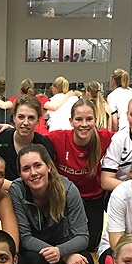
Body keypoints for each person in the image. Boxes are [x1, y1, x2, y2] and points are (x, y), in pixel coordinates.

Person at [10, 144, 95, 264]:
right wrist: (62, 254)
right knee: (34, 260)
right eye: (26, 169)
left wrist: (61, 251)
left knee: (85, 261)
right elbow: (25, 237)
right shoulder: (17, 190)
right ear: (20, 174)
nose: (33, 173)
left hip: (62, 247)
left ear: (48, 166)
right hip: (35, 251)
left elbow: (83, 236)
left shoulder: (68, 190)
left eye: (37, 165)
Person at [47, 99, 113, 251]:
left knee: (91, 245)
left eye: (89, 119)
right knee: (64, 240)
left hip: (93, 197)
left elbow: (130, 136)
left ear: (95, 120)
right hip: (65, 197)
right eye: (78, 119)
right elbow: (31, 136)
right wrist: (10, 129)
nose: (84, 124)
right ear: (71, 122)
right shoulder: (59, 138)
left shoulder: (103, 137)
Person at [0, 95, 56, 187]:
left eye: (31, 118)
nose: (25, 123)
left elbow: (47, 180)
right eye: (21, 117)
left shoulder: (45, 146)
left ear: (38, 121)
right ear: (14, 118)